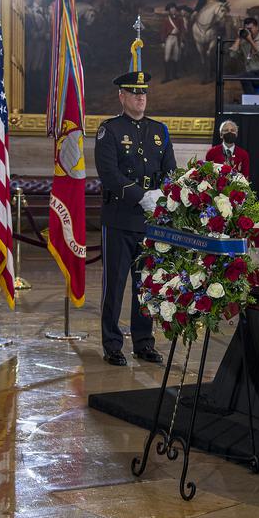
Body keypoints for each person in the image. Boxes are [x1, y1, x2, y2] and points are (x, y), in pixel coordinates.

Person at [94, 69, 176, 367]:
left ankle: (143, 342)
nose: (141, 98)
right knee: (114, 287)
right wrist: (140, 196)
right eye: (134, 93)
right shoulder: (109, 130)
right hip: (119, 219)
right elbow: (109, 174)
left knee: (147, 286)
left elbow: (170, 171)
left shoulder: (159, 130)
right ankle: (112, 344)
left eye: (143, 93)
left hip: (150, 222)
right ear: (122, 96)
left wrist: (161, 196)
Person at [229, 17, 259, 104]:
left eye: (250, 29)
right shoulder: (243, 42)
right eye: (246, 29)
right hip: (252, 73)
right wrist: (239, 38)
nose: (249, 31)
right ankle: (253, 103)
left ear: (257, 27)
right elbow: (233, 55)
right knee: (243, 76)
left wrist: (250, 40)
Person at [160, 3, 186, 83]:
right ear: (169, 10)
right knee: (167, 57)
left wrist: (182, 41)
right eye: (171, 9)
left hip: (176, 38)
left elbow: (182, 31)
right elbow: (163, 31)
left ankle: (175, 75)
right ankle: (167, 77)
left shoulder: (180, 19)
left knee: (175, 56)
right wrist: (163, 41)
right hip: (169, 38)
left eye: (174, 8)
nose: (173, 10)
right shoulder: (166, 20)